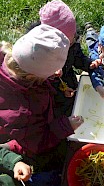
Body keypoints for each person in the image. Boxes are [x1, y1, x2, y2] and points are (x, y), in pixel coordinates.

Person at [0, 24, 84, 185]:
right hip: (28, 145)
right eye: (51, 72)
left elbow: (38, 78)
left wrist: (56, 84)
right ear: (35, 76)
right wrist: (65, 126)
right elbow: (37, 142)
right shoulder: (23, 112)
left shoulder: (17, 65)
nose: (58, 72)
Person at [26, 0, 102, 117]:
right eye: (68, 39)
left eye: (73, 35)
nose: (72, 40)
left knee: (73, 103)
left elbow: (77, 57)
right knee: (57, 112)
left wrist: (88, 64)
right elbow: (35, 81)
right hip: (49, 93)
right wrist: (51, 74)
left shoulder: (72, 43)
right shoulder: (39, 51)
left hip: (67, 80)